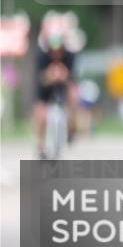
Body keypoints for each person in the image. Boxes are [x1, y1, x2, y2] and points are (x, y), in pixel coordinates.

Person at [34, 13, 80, 157]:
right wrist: (50, 76)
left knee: (73, 94)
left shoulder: (70, 56)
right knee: (40, 113)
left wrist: (64, 76)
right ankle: (40, 144)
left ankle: (72, 126)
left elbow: (73, 79)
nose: (56, 53)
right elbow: (40, 79)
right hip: (46, 87)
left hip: (65, 84)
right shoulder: (42, 56)